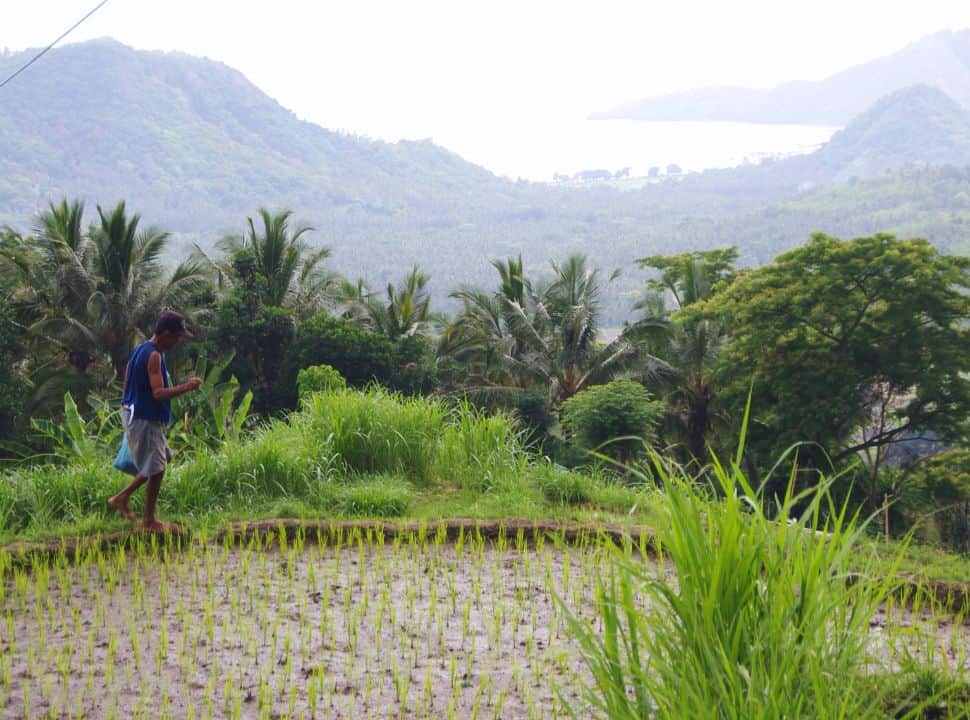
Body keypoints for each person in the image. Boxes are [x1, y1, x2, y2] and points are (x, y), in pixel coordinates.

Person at [108, 310, 202, 532]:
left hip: (137, 414)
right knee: (157, 467)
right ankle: (149, 520)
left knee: (162, 460)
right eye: (177, 337)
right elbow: (158, 393)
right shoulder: (154, 356)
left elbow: (128, 378)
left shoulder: (141, 349)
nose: (178, 342)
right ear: (166, 334)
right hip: (145, 418)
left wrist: (128, 406)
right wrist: (187, 387)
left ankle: (122, 498)